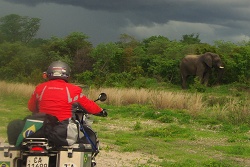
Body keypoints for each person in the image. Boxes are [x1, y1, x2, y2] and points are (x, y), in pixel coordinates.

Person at [26, 60, 106, 146]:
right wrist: (101, 111)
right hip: (63, 132)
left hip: (39, 130)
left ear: (49, 73)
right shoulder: (73, 90)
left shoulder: (39, 88)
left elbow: (31, 107)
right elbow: (89, 106)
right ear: (67, 74)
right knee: (85, 140)